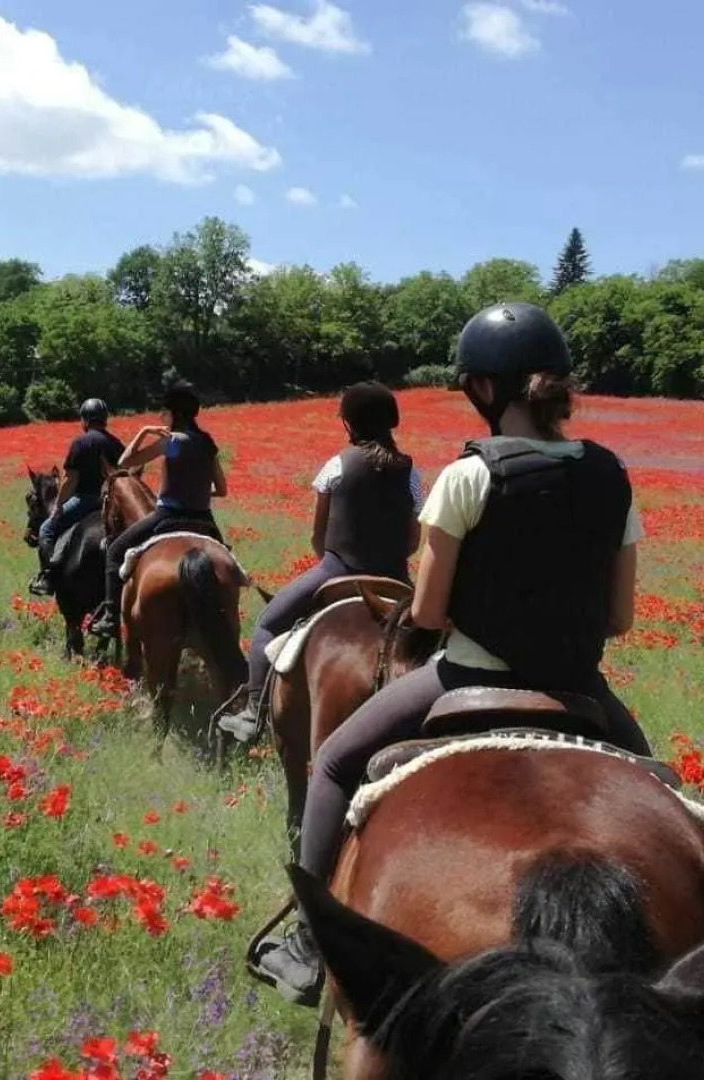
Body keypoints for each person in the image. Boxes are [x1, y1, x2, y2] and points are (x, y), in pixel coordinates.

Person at [252, 302, 655, 1006]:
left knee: (336, 763)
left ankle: (309, 946)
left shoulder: (467, 478)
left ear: (482, 389)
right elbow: (618, 618)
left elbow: (430, 610)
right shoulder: (611, 476)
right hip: (579, 687)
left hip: (467, 674)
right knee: (662, 795)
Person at [216, 382, 422, 742]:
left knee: (267, 624)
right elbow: (413, 541)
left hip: (338, 570)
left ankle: (253, 713)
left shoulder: (336, 466)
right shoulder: (411, 472)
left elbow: (318, 537)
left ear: (350, 424)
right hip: (396, 577)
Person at [89, 381, 228, 637]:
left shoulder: (170, 441)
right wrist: (195, 490)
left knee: (115, 551)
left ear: (174, 414)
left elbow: (124, 463)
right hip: (204, 519)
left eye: (164, 412)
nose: (160, 417)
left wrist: (143, 432)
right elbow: (221, 489)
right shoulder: (208, 443)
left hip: (169, 516)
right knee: (227, 561)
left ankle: (110, 616)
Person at [30, 398, 126, 597]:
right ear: (104, 419)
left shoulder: (81, 442)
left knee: (46, 528)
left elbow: (71, 479)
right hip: (110, 502)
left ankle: (48, 577)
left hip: (86, 499)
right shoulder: (116, 444)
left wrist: (58, 505)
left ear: (85, 420)